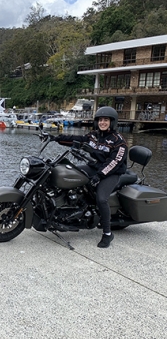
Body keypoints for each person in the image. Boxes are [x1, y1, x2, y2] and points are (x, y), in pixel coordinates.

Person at [53, 106, 128, 248]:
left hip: (112, 172)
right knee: (69, 174)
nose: (102, 123)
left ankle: (107, 233)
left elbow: (114, 163)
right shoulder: (94, 135)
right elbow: (78, 139)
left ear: (112, 122)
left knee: (101, 198)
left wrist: (99, 176)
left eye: (106, 120)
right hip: (95, 167)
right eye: (100, 120)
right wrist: (56, 138)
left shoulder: (119, 141)